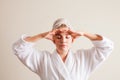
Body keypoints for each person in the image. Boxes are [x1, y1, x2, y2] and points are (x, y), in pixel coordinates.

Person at [12, 18, 113, 80]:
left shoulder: (83, 58)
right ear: (53, 40)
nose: (63, 40)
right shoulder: (43, 60)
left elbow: (107, 47)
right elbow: (18, 48)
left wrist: (84, 33)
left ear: (72, 40)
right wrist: (41, 35)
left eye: (67, 37)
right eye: (59, 37)